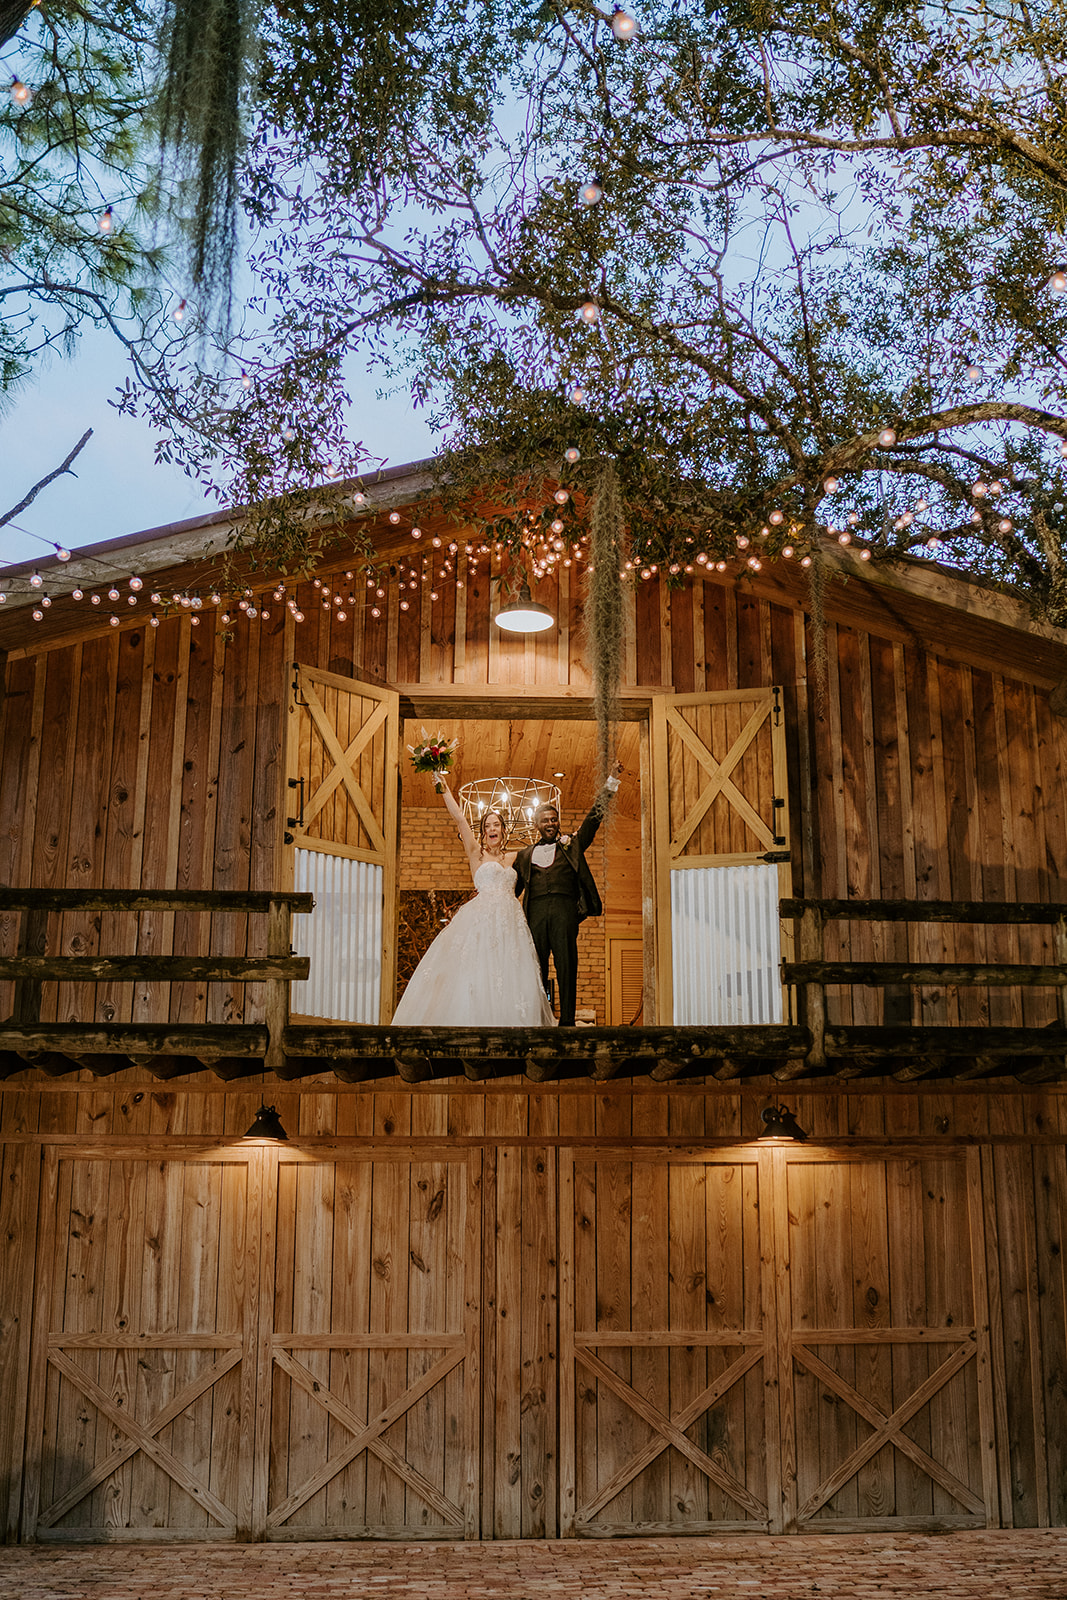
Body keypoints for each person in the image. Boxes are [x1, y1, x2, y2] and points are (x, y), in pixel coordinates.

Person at [390, 778, 557, 1027]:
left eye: (496, 824)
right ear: (483, 832)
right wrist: (443, 788)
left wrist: (566, 839)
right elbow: (459, 818)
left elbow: (543, 849)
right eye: (487, 825)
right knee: (478, 973)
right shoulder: (476, 853)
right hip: (481, 922)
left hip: (510, 926)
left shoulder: (514, 857)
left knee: (510, 975)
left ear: (503, 830)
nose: (492, 829)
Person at [511, 761, 623, 1026]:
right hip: (536, 913)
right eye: (545, 820)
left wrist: (611, 782)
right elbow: (511, 890)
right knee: (537, 967)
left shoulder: (571, 845)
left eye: (554, 819)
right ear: (536, 825)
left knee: (567, 965)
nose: (550, 823)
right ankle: (540, 1018)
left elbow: (593, 819)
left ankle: (568, 1022)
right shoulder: (524, 856)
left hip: (564, 912)